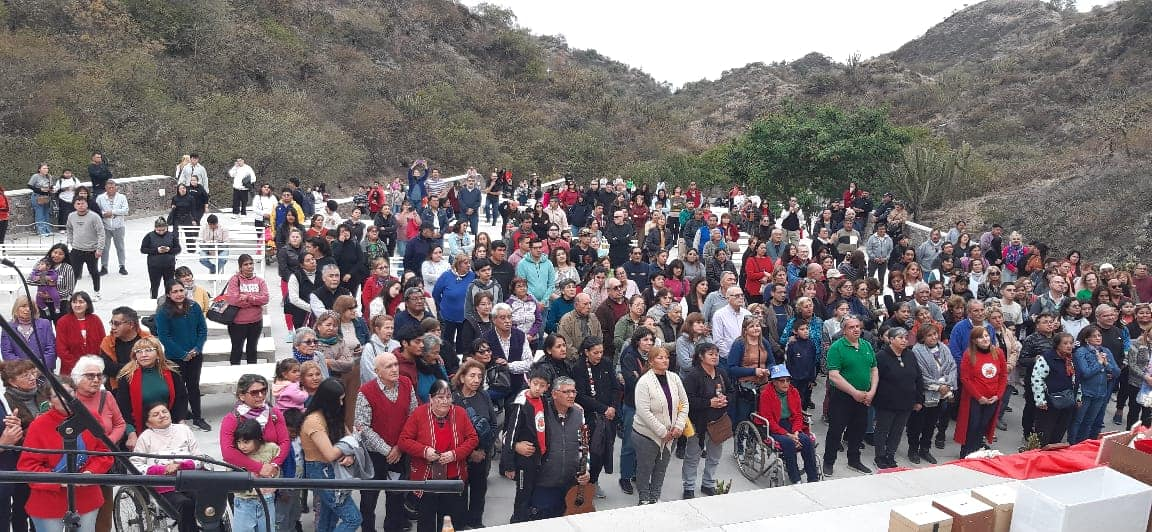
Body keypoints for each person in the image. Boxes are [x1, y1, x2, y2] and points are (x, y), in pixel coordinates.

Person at [17, 377, 114, 531]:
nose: (64, 399)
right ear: (49, 401)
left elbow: (104, 452)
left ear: (75, 393)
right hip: (49, 502)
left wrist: (91, 472)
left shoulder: (91, 417)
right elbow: (27, 466)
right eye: (57, 395)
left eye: (68, 393)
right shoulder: (38, 426)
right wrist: (59, 480)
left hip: (86, 496)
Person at [398, 379, 477, 532]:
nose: (445, 401)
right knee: (426, 521)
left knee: (449, 521)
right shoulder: (419, 414)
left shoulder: (459, 413)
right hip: (426, 479)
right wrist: (424, 451)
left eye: (448, 397)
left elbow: (473, 438)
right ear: (431, 398)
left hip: (453, 478)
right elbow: (403, 441)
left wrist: (455, 454)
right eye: (440, 397)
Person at [356, 349, 418, 532]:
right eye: (388, 366)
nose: (394, 369)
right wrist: (387, 450)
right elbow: (362, 427)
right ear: (377, 371)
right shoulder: (365, 391)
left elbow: (413, 416)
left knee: (396, 496)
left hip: (400, 451)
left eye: (396, 364)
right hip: (374, 455)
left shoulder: (406, 383)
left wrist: (399, 446)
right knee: (369, 498)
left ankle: (393, 528)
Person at [301, 378, 362, 532]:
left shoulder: (332, 416)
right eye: (338, 400)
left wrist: (351, 455)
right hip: (320, 471)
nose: (341, 404)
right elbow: (330, 453)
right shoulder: (313, 421)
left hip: (331, 470)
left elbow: (350, 442)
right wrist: (349, 444)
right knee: (353, 519)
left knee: (329, 519)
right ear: (328, 401)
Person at [129, 402, 201, 532]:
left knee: (206, 500)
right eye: (156, 414)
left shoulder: (184, 430)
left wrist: (181, 465)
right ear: (148, 423)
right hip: (164, 486)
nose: (162, 415)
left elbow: (199, 457)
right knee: (185, 504)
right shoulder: (146, 437)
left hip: (190, 479)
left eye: (164, 411)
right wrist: (162, 470)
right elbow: (135, 464)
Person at [632, 347, 687, 505]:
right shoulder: (644, 382)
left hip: (672, 434)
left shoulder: (674, 378)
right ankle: (644, 498)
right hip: (647, 435)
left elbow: (684, 403)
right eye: (660, 357)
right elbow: (643, 411)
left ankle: (655, 497)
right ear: (651, 361)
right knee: (645, 468)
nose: (665, 360)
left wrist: (679, 425)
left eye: (666, 357)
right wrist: (662, 431)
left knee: (661, 468)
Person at [822, 316, 876, 476]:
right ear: (844, 330)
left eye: (858, 326)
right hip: (842, 397)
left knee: (858, 430)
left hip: (864, 396)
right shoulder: (837, 347)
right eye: (851, 327)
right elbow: (834, 375)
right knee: (836, 430)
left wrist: (872, 391)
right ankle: (828, 462)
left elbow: (874, 369)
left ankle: (854, 460)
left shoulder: (866, 345)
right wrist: (854, 392)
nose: (856, 329)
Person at [113, 337, 189, 448]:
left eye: (148, 350)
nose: (143, 354)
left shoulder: (172, 373)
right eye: (139, 351)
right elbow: (123, 409)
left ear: (158, 353)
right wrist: (131, 434)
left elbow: (181, 400)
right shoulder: (127, 377)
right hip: (140, 431)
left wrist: (181, 423)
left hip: (168, 427)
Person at [156, 281, 210, 431]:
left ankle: (198, 417)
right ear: (168, 294)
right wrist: (182, 354)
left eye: (181, 290)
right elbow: (164, 337)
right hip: (175, 357)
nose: (179, 294)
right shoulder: (163, 312)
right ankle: (180, 418)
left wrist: (197, 348)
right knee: (179, 389)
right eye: (175, 291)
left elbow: (202, 330)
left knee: (193, 387)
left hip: (195, 355)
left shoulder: (194, 307)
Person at [681, 342, 732, 497]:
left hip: (718, 422)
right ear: (701, 356)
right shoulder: (693, 375)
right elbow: (687, 400)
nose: (715, 357)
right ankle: (689, 487)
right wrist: (709, 403)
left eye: (716, 354)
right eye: (710, 354)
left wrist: (726, 399)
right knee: (692, 457)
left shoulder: (721, 373)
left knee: (714, 456)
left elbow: (731, 391)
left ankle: (708, 483)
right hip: (699, 423)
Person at [756, 364, 821, 484]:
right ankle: (795, 478)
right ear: (774, 382)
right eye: (782, 381)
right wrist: (787, 434)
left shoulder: (793, 392)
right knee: (788, 443)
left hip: (791, 424)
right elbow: (768, 420)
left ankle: (813, 478)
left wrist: (796, 431)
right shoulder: (766, 394)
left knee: (806, 440)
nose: (786, 383)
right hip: (774, 426)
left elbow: (797, 414)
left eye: (788, 380)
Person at [571, 336, 618, 499]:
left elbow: (615, 388)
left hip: (608, 416)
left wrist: (612, 407)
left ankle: (595, 481)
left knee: (604, 451)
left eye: (601, 352)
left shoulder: (606, 364)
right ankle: (583, 484)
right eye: (595, 352)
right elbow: (581, 396)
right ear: (586, 352)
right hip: (590, 417)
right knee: (590, 452)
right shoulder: (579, 368)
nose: (599, 356)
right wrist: (604, 408)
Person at [452, 359, 497, 528]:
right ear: (462, 378)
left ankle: (475, 521)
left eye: (480, 376)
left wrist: (484, 450)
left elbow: (493, 424)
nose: (476, 380)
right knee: (460, 492)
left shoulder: (483, 395)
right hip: (462, 455)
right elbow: (452, 432)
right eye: (472, 375)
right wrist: (470, 453)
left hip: (482, 453)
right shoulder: (453, 399)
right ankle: (460, 523)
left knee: (479, 490)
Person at [872, 328, 924, 470]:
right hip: (886, 403)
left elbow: (918, 378)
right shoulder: (881, 356)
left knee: (897, 430)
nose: (904, 340)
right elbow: (875, 379)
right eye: (900, 338)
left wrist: (919, 400)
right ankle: (880, 456)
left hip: (906, 402)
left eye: (906, 338)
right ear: (891, 339)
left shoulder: (910, 355)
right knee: (882, 430)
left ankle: (890, 454)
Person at [954, 328, 1008, 456]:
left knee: (984, 425)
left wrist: (998, 395)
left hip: (992, 398)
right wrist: (978, 397)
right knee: (972, 425)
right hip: (975, 398)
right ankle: (966, 451)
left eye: (986, 335)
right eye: (981, 337)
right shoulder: (968, 354)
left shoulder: (998, 352)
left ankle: (978, 449)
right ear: (974, 341)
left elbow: (1003, 375)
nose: (985, 339)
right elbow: (965, 378)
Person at [905, 327, 954, 464]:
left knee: (931, 423)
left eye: (935, 334)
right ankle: (913, 449)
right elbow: (921, 375)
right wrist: (938, 386)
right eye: (929, 335)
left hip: (941, 394)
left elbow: (951, 366)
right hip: (924, 394)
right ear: (922, 338)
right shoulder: (917, 351)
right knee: (917, 424)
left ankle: (925, 449)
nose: (934, 337)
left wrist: (948, 384)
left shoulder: (944, 348)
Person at [1069, 325, 1120, 444]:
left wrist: (1107, 364)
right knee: (1078, 420)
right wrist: (1099, 363)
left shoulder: (1105, 351)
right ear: (1087, 339)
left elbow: (1117, 372)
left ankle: (1084, 445)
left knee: (1090, 421)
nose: (1098, 338)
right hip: (1085, 392)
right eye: (1094, 336)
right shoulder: (1081, 352)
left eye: (1099, 335)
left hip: (1101, 393)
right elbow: (1085, 373)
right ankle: (1072, 444)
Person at [1030, 332, 1081, 446]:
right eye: (1065, 343)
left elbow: (1076, 380)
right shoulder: (1047, 358)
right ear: (1057, 345)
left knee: (1059, 433)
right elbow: (1037, 379)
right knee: (1043, 434)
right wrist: (1040, 400)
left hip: (1067, 402)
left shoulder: (1072, 359)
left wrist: (1078, 397)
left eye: (1071, 343)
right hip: (1049, 403)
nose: (1069, 346)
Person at [231, 418, 281, 532]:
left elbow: (278, 467)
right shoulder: (235, 454)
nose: (242, 446)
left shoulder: (271, 448)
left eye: (246, 442)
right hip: (244, 502)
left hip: (266, 500)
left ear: (257, 438)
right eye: (239, 442)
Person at [224, 254, 270, 365]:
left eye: (251, 263)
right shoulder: (234, 280)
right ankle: (235, 375)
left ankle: (252, 378)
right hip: (237, 323)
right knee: (236, 350)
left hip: (256, 322)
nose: (249, 266)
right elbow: (234, 300)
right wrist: (255, 301)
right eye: (246, 264)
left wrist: (248, 297)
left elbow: (265, 299)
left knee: (252, 350)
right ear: (240, 267)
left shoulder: (260, 281)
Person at [53, 292, 104, 376]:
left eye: (81, 302)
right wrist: (78, 367)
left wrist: (95, 364)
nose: (77, 305)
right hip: (71, 370)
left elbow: (103, 344)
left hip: (94, 368)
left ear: (87, 305)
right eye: (74, 302)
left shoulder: (96, 320)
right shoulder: (63, 322)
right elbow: (61, 349)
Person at [1, 296, 57, 372]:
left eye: (30, 306)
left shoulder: (45, 324)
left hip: (43, 372)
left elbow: (51, 348)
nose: (27, 309)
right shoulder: (8, 327)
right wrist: (24, 368)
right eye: (23, 306)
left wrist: (39, 367)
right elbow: (7, 352)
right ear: (16, 308)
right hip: (19, 373)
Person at [66, 195, 106, 299]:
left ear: (87, 204)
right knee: (73, 273)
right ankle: (70, 294)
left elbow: (101, 233)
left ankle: (97, 292)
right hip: (76, 249)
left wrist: (100, 248)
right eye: (78, 204)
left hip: (91, 250)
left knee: (94, 272)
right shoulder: (71, 216)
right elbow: (69, 229)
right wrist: (70, 242)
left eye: (83, 203)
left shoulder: (94, 217)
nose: (80, 206)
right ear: (74, 205)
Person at [141, 217, 182, 299]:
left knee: (169, 285)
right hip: (154, 266)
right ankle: (153, 298)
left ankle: (170, 300)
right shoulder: (149, 236)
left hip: (169, 265)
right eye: (159, 230)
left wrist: (169, 250)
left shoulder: (172, 236)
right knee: (154, 285)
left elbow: (178, 249)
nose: (161, 232)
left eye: (163, 230)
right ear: (155, 228)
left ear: (166, 228)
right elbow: (143, 249)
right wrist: (156, 250)